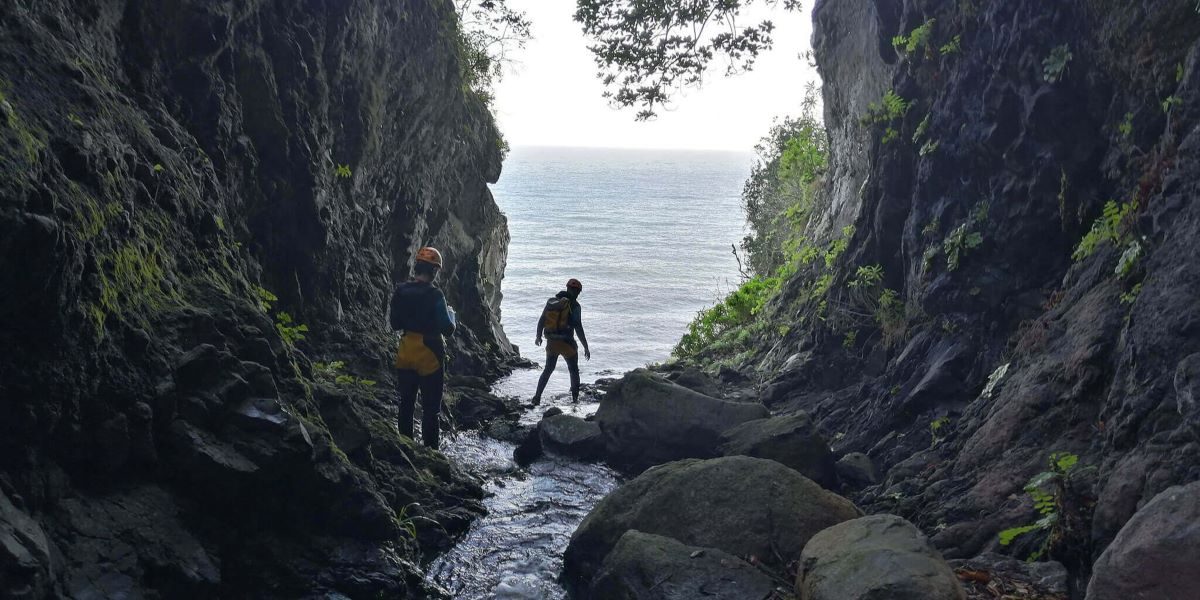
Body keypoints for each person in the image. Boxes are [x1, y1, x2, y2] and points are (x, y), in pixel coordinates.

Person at [389, 246, 456, 449]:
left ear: (416, 266)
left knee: (406, 404)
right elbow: (447, 329)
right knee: (430, 410)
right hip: (430, 356)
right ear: (434, 271)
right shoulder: (435, 295)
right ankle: (431, 453)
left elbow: (394, 324)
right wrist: (452, 316)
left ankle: (406, 447)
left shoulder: (400, 291)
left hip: (406, 351)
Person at [533, 278, 591, 404]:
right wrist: (585, 347)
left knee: (548, 369)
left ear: (567, 288)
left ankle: (537, 397)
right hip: (567, 344)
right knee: (573, 370)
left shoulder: (552, 303)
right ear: (578, 292)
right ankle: (575, 400)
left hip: (552, 343)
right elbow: (578, 327)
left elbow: (542, 320)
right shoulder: (575, 306)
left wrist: (538, 336)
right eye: (578, 292)